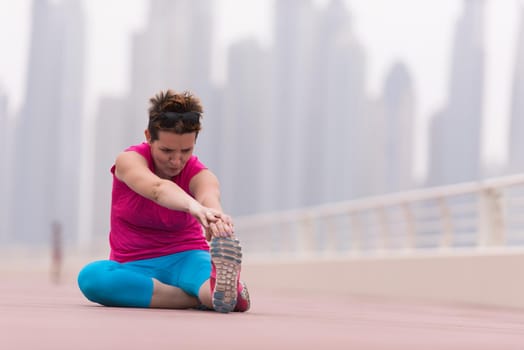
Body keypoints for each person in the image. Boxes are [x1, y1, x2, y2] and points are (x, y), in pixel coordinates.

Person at [78, 89, 250, 313]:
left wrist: (215, 218)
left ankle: (221, 293)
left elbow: (209, 195)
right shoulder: (129, 161)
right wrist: (193, 207)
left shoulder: (199, 173)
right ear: (149, 137)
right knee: (92, 278)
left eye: (186, 150)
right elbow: (158, 189)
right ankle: (200, 298)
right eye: (167, 150)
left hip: (187, 257)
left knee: (213, 290)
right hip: (134, 265)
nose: (177, 161)